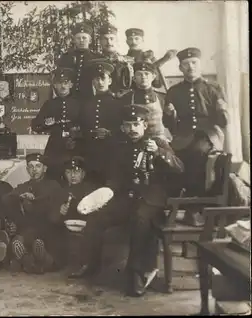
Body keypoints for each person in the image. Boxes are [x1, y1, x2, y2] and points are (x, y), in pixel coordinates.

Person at [79, 104, 184, 297]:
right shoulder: (121, 148)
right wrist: (108, 190)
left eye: (136, 124)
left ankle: (136, 272)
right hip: (127, 198)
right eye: (128, 125)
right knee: (96, 218)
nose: (132, 129)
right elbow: (116, 177)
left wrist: (160, 153)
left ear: (145, 125)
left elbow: (179, 168)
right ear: (122, 128)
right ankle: (92, 265)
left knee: (140, 220)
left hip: (152, 200)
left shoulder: (158, 142)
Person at [163, 47, 229, 226]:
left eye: (194, 63)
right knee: (168, 158)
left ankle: (195, 209)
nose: (190, 67)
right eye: (186, 64)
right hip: (182, 136)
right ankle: (172, 205)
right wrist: (169, 114)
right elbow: (168, 124)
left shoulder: (213, 88)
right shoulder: (174, 91)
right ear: (180, 68)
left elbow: (222, 121)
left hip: (209, 135)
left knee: (198, 153)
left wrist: (222, 110)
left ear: (201, 65)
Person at [3, 153, 63, 274]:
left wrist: (35, 200)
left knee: (39, 244)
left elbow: (52, 205)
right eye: (30, 167)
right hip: (28, 229)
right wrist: (21, 196)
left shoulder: (53, 185)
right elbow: (6, 198)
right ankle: (30, 263)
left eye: (38, 166)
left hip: (48, 228)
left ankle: (42, 261)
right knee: (16, 243)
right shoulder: (24, 186)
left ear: (44, 169)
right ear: (27, 169)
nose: (34, 170)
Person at [51, 156, 104, 278]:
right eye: (68, 172)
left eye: (76, 171)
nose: (72, 175)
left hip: (88, 226)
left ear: (83, 174)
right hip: (66, 228)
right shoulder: (61, 191)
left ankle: (87, 265)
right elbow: (53, 219)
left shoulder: (91, 190)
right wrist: (59, 212)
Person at [31, 68, 82, 182]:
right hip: (55, 148)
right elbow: (35, 125)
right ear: (55, 85)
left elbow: (85, 124)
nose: (63, 86)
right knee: (53, 179)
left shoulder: (78, 103)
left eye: (66, 83)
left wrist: (77, 133)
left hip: (75, 146)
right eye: (59, 83)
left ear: (71, 84)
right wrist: (46, 123)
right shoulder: (50, 104)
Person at [78, 59, 121, 183]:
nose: (100, 82)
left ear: (110, 81)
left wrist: (110, 133)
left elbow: (124, 128)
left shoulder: (118, 103)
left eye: (103, 78)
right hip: (91, 154)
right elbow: (83, 127)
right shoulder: (86, 104)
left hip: (112, 154)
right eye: (97, 79)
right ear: (93, 82)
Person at [121, 61, 172, 142]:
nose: (143, 77)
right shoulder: (127, 98)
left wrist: (172, 113)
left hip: (159, 140)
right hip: (136, 141)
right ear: (134, 78)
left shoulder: (162, 97)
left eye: (146, 74)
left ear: (153, 76)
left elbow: (170, 122)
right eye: (139, 74)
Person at [56, 23, 100, 100]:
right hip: (70, 98)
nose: (81, 41)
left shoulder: (97, 58)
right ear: (74, 40)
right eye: (78, 38)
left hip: (90, 98)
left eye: (84, 38)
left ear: (90, 41)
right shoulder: (66, 57)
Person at [98, 23, 133, 96]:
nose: (109, 42)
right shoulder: (95, 60)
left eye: (111, 38)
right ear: (100, 41)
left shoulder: (128, 61)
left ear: (117, 40)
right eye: (105, 39)